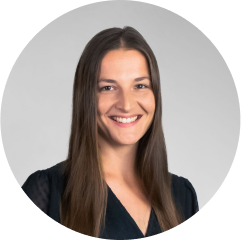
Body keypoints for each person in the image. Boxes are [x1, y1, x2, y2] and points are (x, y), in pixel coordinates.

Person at [21, 26, 199, 239]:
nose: (126, 104)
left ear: (155, 95)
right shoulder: (48, 192)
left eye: (140, 86)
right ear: (86, 98)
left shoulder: (181, 195)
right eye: (108, 88)